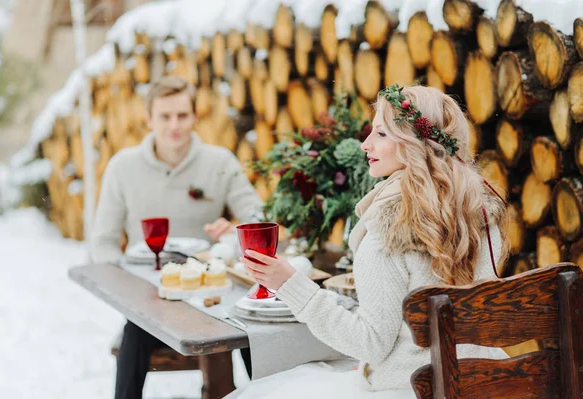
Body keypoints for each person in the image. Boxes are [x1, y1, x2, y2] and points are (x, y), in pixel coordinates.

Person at [227, 85, 508, 399]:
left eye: (382, 134)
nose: (365, 144)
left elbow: (370, 344)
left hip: (410, 387)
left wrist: (291, 284)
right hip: (485, 380)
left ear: (415, 144)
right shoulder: (480, 215)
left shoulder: (389, 233)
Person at [90, 76, 262, 399]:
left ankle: (266, 392)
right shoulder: (122, 168)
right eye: (165, 116)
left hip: (214, 298)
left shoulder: (219, 162)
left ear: (195, 116)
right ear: (148, 118)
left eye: (182, 116)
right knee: (135, 335)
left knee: (252, 336)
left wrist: (235, 231)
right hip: (150, 299)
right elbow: (102, 243)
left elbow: (258, 217)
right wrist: (129, 288)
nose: (175, 126)